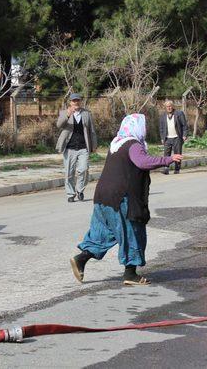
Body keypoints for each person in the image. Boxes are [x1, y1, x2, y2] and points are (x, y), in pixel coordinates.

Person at [70, 114, 182, 286]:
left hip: (103, 196)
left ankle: (81, 259)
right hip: (121, 198)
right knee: (131, 231)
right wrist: (167, 159)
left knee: (103, 232)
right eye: (143, 126)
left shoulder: (117, 142)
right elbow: (142, 162)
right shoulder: (133, 145)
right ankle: (130, 274)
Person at [56, 93, 98, 203]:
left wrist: (94, 145)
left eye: (78, 100)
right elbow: (59, 125)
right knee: (69, 173)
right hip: (69, 147)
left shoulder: (86, 114)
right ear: (70, 102)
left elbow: (92, 131)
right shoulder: (64, 112)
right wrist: (68, 115)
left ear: (80, 102)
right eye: (74, 101)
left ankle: (80, 190)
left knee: (83, 170)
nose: (76, 103)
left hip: (83, 147)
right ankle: (70, 193)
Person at [159, 100, 188, 174]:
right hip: (167, 138)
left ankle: (177, 169)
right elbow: (161, 128)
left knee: (177, 153)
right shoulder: (163, 116)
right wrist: (162, 137)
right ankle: (166, 168)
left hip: (177, 137)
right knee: (166, 154)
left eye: (170, 106)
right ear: (165, 107)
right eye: (167, 106)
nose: (169, 108)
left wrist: (184, 135)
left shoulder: (179, 114)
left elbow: (184, 125)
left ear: (173, 106)